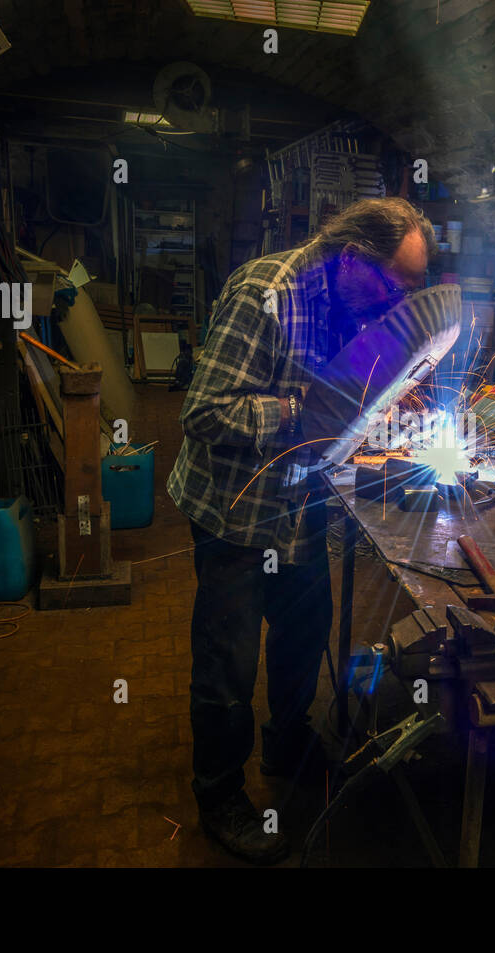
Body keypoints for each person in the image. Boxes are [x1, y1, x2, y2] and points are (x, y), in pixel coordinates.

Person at [168, 197, 437, 864]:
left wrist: (387, 394)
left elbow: (349, 387)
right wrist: (298, 410)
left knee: (303, 630)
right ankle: (221, 797)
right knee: (229, 663)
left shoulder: (354, 304)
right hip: (235, 511)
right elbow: (203, 412)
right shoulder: (268, 293)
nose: (396, 303)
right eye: (394, 286)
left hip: (299, 509)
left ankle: (286, 743)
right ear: (353, 259)